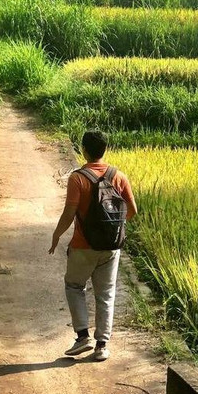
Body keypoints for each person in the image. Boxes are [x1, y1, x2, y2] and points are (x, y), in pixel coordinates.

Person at [48, 130, 137, 361]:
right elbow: (132, 211)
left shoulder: (77, 178)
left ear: (83, 150)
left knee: (74, 286)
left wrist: (57, 235)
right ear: (105, 149)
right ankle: (102, 346)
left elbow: (69, 213)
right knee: (106, 294)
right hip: (111, 248)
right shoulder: (119, 176)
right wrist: (112, 229)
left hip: (82, 246)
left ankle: (82, 336)